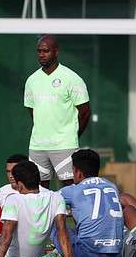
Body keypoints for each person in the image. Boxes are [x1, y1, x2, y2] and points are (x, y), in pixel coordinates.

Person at [24, 35, 91, 188]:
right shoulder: (32, 80)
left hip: (64, 145)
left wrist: (72, 134)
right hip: (38, 146)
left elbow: (85, 112)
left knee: (70, 187)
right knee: (38, 190)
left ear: (56, 52)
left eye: (46, 51)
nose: (41, 54)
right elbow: (32, 110)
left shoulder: (71, 78)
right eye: (39, 51)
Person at [55, 149, 123, 257]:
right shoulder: (112, 186)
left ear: (78, 172)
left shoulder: (73, 190)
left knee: (54, 223)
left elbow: (48, 201)